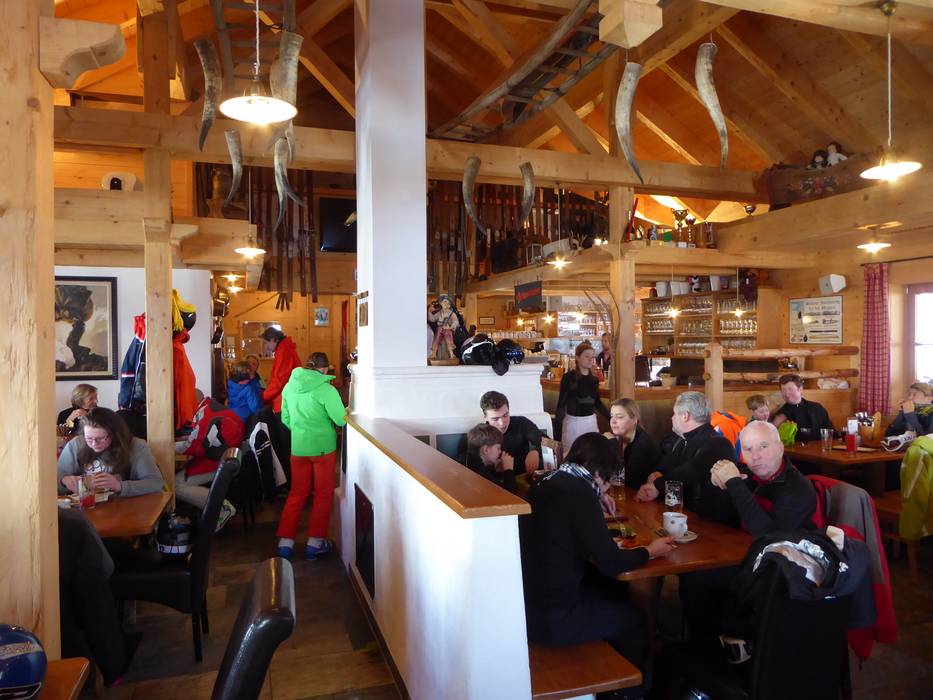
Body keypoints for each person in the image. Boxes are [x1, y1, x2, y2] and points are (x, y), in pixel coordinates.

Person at [520, 433, 675, 692]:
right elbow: (612, 562)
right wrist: (650, 551)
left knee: (612, 591)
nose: (607, 487)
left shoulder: (547, 480)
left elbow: (567, 530)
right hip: (554, 620)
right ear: (600, 471)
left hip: (529, 607)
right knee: (634, 619)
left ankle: (614, 675)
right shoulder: (579, 492)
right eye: (608, 480)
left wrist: (595, 499)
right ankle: (633, 693)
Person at [680, 421, 818, 646]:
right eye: (748, 449)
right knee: (692, 570)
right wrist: (716, 486)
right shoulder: (748, 476)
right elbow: (707, 515)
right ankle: (705, 644)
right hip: (741, 554)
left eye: (763, 446)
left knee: (698, 579)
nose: (755, 456)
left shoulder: (797, 488)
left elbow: (768, 536)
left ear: (780, 448)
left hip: (781, 570)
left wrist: (734, 484)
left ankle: (718, 647)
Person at [276, 352, 347, 560]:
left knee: (297, 494)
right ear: (325, 369)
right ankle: (314, 544)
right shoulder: (327, 390)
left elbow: (285, 418)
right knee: (323, 494)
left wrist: (301, 431)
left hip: (298, 447)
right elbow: (341, 420)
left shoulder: (289, 387)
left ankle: (285, 543)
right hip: (323, 449)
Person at [634, 392, 735, 520]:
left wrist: (657, 485)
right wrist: (657, 473)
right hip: (680, 515)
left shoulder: (719, 443)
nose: (672, 418)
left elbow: (693, 469)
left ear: (685, 416)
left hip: (710, 523)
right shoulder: (681, 441)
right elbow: (665, 465)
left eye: (674, 413)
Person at [57, 407, 164, 498]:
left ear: (114, 434)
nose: (94, 443)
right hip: (85, 508)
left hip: (127, 508)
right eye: (89, 438)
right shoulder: (75, 445)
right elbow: (54, 482)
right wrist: (64, 481)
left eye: (100, 438)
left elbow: (155, 483)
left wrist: (120, 486)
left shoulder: (136, 446)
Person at [174, 391, 244, 530]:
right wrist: (186, 439)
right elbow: (202, 437)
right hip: (225, 456)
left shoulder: (206, 413)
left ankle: (222, 508)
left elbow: (196, 447)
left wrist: (169, 446)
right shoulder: (210, 407)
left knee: (176, 484)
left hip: (218, 462)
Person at [261, 327, 302, 475]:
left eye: (266, 343)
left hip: (285, 405)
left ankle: (291, 481)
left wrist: (263, 397)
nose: (266, 347)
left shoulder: (284, 351)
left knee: (286, 445)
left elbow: (279, 381)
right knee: (287, 444)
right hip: (286, 402)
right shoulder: (284, 349)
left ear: (274, 339)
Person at [555, 342, 610, 453]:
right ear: (577, 358)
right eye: (586, 356)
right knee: (571, 455)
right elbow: (561, 404)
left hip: (590, 422)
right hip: (573, 424)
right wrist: (557, 432)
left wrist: (610, 418)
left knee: (592, 455)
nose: (590, 359)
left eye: (592, 357)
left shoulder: (594, 380)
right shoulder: (568, 378)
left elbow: (597, 403)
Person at [480, 391, 542, 476]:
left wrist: (535, 451)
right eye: (495, 419)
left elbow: (550, 443)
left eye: (505, 415)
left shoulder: (521, 423)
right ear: (485, 417)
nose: (502, 423)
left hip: (525, 476)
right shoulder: (480, 435)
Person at [606, 398, 660, 490]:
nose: (613, 421)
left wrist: (612, 445)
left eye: (619, 417)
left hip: (639, 494)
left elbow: (627, 480)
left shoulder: (644, 444)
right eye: (611, 416)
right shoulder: (616, 437)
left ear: (634, 419)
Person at [771, 374, 834, 442]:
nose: (786, 394)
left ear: (800, 389)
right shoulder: (780, 414)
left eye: (790, 389)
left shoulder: (816, 408)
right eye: (783, 390)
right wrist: (775, 426)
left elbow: (830, 433)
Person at [462, 423, 517, 494]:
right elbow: (509, 494)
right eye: (498, 448)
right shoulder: (477, 468)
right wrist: (509, 470)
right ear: (486, 450)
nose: (500, 452)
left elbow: (492, 484)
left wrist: (497, 472)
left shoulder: (468, 458)